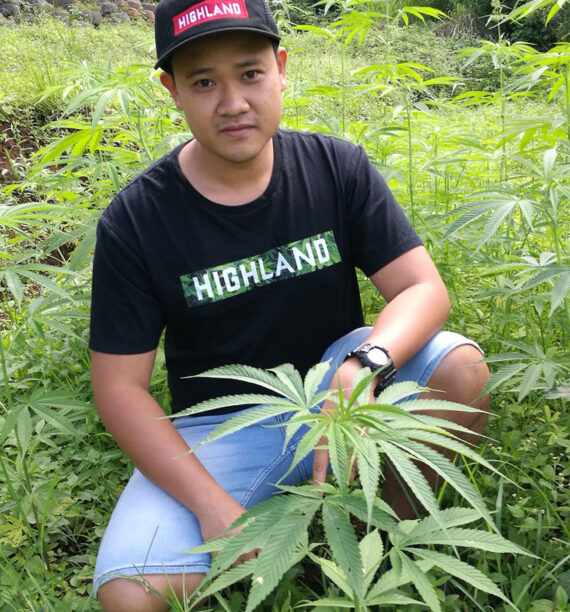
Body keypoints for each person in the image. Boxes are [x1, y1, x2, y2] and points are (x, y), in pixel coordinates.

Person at [88, 0, 490, 608]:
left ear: (280, 68)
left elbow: (423, 288)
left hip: (338, 391)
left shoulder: (335, 167)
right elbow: (119, 388)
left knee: (458, 365)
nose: (232, 102)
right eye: (203, 82)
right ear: (172, 90)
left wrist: (363, 366)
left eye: (249, 73)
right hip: (218, 427)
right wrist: (211, 507)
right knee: (131, 595)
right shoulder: (136, 220)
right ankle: (274, 518)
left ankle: (383, 533)